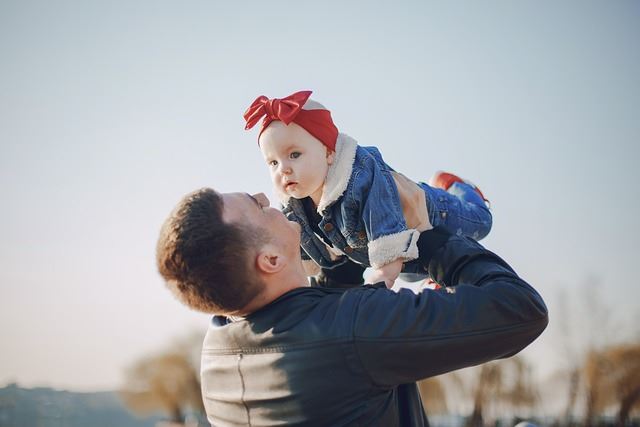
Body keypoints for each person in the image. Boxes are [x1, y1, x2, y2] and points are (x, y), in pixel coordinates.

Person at [156, 188, 548, 427]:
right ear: (270, 261)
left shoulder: (219, 346)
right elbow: (520, 309)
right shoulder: (353, 332)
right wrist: (428, 234)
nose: (265, 197)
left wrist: (340, 243)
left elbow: (312, 325)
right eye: (257, 207)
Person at [244, 90, 493, 288]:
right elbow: (300, 252)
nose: (283, 169)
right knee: (409, 273)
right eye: (273, 162)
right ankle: (436, 278)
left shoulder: (360, 175)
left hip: (434, 210)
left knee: (481, 222)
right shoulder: (293, 208)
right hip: (399, 250)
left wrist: (382, 274)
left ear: (329, 153)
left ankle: (459, 187)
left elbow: (384, 226)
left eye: (294, 155)